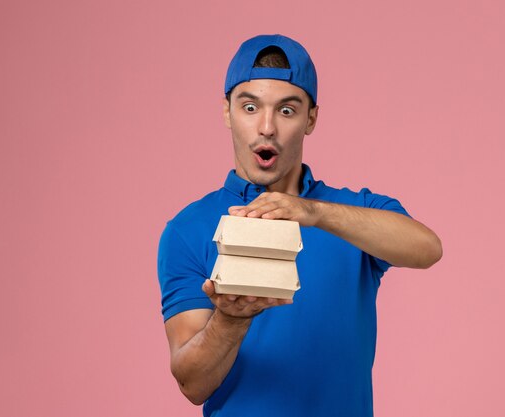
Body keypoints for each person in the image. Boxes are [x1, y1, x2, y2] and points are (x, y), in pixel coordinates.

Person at [157, 34, 442, 417]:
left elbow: (427, 249)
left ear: (311, 118)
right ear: (227, 112)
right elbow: (192, 384)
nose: (267, 127)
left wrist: (314, 213)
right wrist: (230, 320)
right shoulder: (187, 230)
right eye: (250, 107)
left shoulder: (353, 211)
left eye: (287, 111)